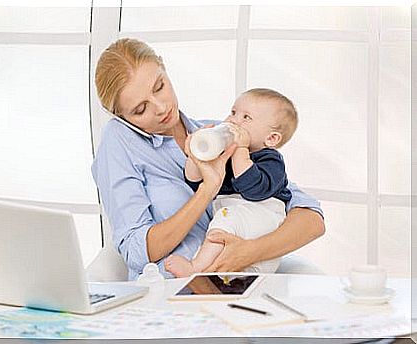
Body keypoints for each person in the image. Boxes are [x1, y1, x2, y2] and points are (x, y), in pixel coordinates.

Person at [91, 37, 325, 281]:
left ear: (164, 67)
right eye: (140, 109)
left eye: (159, 86)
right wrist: (207, 190)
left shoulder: (218, 135)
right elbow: (137, 252)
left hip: (240, 286)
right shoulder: (119, 142)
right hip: (176, 292)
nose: (160, 108)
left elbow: (310, 217)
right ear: (119, 116)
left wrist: (248, 252)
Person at [165, 88, 297, 278]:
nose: (234, 120)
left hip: (263, 216)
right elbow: (194, 183)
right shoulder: (227, 155)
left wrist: (241, 148)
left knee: (225, 218)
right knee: (236, 272)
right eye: (233, 112)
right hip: (241, 227)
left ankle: (195, 268)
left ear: (271, 138)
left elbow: (253, 189)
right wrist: (196, 157)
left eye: (246, 117)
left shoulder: (271, 160)